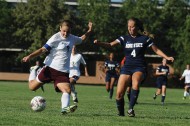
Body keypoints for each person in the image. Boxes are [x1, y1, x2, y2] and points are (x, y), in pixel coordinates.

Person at [94, 17, 174, 117]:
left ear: (137, 27)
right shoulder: (124, 38)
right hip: (126, 68)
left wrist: (167, 57)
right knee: (119, 94)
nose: (130, 29)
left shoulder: (145, 39)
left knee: (135, 84)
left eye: (132, 27)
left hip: (139, 67)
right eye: (129, 27)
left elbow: (156, 50)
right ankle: (121, 115)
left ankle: (131, 109)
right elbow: (110, 45)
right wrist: (99, 43)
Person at [22, 20, 92, 114]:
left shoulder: (72, 38)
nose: (65, 33)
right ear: (60, 28)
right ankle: (33, 70)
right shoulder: (55, 38)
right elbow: (42, 49)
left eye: (68, 31)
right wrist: (30, 56)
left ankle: (64, 109)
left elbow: (82, 38)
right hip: (50, 69)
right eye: (63, 31)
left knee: (67, 90)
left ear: (70, 30)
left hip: (63, 72)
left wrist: (90, 30)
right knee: (32, 87)